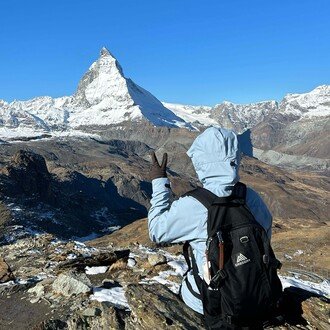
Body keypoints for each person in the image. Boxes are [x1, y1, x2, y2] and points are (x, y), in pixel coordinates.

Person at [148, 126, 272, 315]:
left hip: (209, 303)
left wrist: (159, 183)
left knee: (188, 288)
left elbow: (156, 231)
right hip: (257, 294)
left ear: (201, 161)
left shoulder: (194, 204)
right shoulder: (251, 198)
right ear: (235, 157)